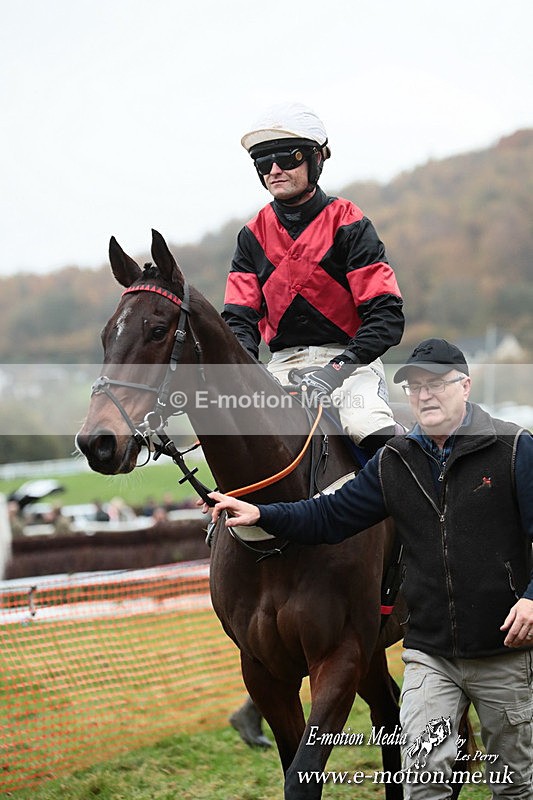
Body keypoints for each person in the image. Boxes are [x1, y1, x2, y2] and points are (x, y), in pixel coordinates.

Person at [207, 339, 533, 798]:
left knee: (515, 788)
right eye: (416, 387)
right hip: (430, 656)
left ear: (465, 385)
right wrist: (263, 514)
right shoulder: (395, 462)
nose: (425, 395)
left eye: (437, 384)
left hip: (502, 650)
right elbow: (329, 515)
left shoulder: (515, 449)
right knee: (425, 785)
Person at [223, 102, 405, 455]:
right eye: (264, 163)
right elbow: (238, 320)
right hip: (281, 366)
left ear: (315, 160)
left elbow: (386, 317)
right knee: (233, 437)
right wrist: (247, 376)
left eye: (288, 158)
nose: (274, 170)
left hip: (350, 362)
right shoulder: (251, 235)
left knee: (367, 426)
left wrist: (337, 370)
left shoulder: (349, 223)